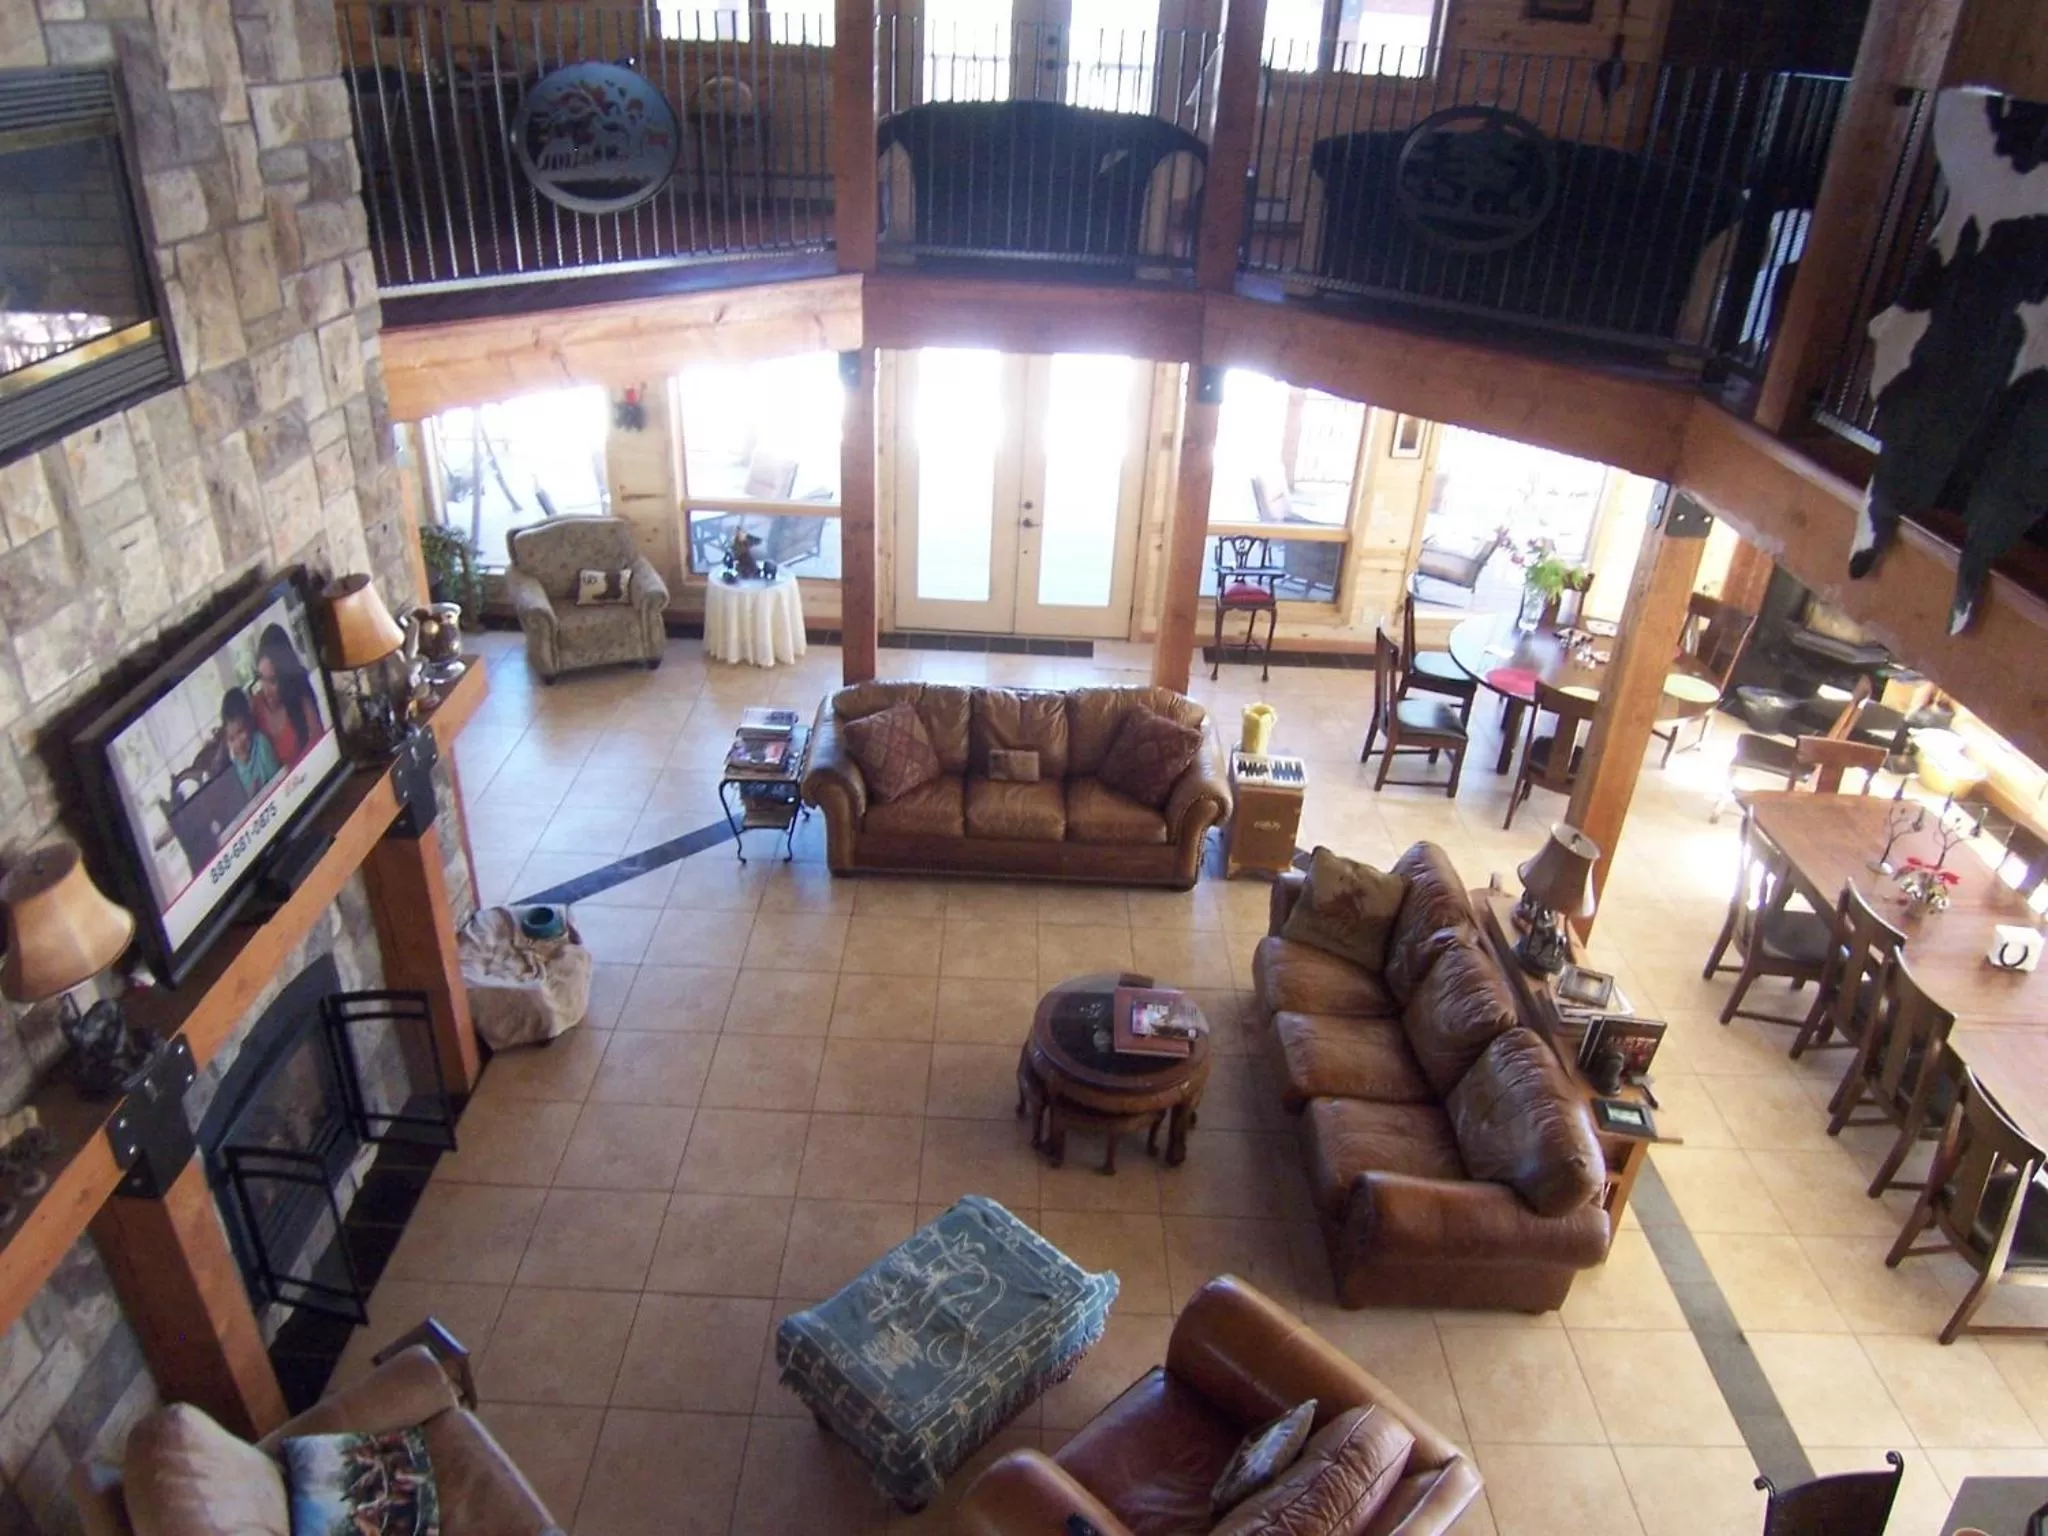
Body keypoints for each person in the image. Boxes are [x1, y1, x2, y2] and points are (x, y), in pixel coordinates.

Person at [252, 623, 321, 765]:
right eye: (261, 678)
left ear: (286, 678)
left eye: (272, 680)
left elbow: (318, 740)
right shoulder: (255, 705)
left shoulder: (300, 695)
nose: (265, 690)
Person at [222, 689, 282, 797]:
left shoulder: (261, 744)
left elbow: (278, 780)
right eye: (231, 739)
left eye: (240, 732)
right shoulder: (234, 765)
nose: (238, 743)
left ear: (249, 723)